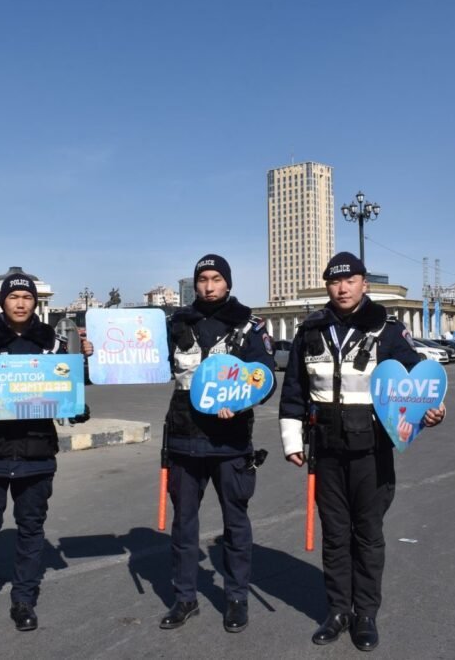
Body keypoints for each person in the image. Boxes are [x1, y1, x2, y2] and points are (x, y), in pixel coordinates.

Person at [278, 252, 446, 652]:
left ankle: (366, 614)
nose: (342, 288)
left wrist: (432, 411)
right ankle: (338, 611)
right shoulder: (311, 329)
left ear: (364, 284)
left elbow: (415, 378)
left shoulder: (388, 329)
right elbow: (294, 389)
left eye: (350, 280)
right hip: (325, 450)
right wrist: (292, 440)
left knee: (368, 534)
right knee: (335, 535)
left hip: (372, 448)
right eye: (335, 282)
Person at [0, 272, 93, 638]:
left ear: (35, 303)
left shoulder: (54, 345)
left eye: (27, 297)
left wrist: (76, 406)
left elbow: (71, 387)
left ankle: (24, 600)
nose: (21, 303)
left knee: (31, 529)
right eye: (14, 297)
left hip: (36, 453)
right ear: (2, 302)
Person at [159, 254, 276, 634]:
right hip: (184, 440)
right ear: (195, 284)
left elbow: (265, 377)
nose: (209, 286)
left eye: (216, 279)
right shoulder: (177, 323)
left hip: (230, 441)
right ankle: (184, 598)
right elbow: (146, 362)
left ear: (228, 282)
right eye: (202, 279)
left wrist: (240, 400)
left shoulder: (249, 325)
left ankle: (236, 598)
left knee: (235, 524)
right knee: (183, 525)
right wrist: (98, 354)